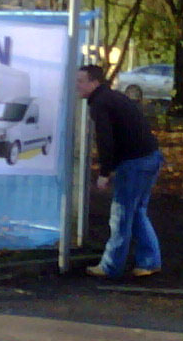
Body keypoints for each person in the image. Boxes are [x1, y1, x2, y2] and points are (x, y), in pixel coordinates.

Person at [76, 64, 163, 278]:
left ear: (94, 82)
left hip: (134, 163)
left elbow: (106, 141)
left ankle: (110, 266)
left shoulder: (100, 103)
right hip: (150, 157)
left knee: (121, 216)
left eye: (80, 81)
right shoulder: (112, 97)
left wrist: (105, 173)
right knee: (137, 213)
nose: (76, 86)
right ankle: (150, 262)